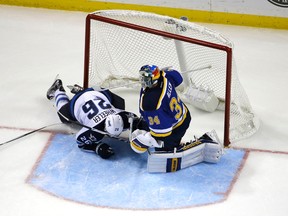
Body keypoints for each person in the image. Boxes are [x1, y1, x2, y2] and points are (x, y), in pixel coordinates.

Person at [130, 65, 223, 172]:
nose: (142, 80)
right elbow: (178, 78)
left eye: (145, 78)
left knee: (164, 151)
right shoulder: (165, 76)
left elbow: (163, 133)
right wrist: (164, 71)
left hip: (175, 128)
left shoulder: (151, 104)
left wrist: (147, 140)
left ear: (153, 79)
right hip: (183, 114)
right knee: (145, 123)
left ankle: (204, 140)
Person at [46, 77, 143, 159]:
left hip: (98, 92)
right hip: (78, 101)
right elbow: (80, 142)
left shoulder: (125, 117)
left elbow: (138, 122)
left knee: (119, 103)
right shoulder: (94, 131)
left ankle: (81, 91)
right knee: (64, 117)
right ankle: (58, 90)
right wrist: (97, 148)